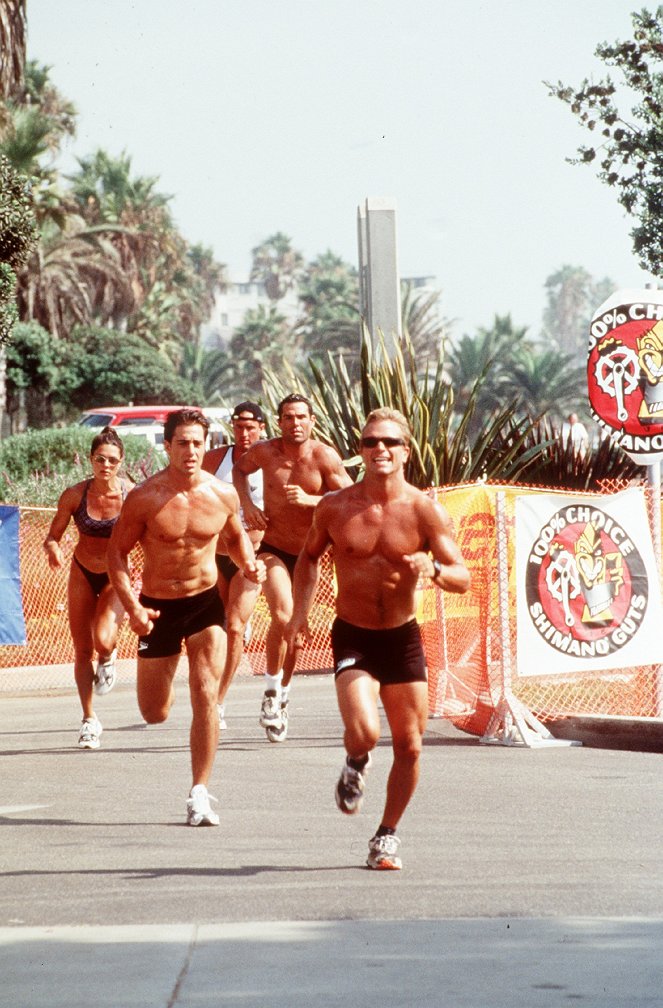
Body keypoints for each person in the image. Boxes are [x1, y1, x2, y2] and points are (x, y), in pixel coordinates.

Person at [285, 408, 470, 870]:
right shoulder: (335, 507)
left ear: (406, 450)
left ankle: (386, 835)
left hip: (402, 638)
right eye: (370, 443)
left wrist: (436, 570)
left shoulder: (425, 510)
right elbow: (308, 560)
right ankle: (356, 761)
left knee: (410, 746)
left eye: (389, 442)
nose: (379, 450)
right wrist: (299, 615)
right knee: (365, 732)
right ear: (360, 451)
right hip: (354, 637)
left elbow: (462, 576)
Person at [107, 408, 265, 827]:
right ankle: (164, 677)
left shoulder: (222, 494)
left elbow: (234, 539)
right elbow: (116, 555)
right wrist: (135, 609)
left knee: (206, 693)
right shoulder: (145, 496)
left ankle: (199, 792)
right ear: (167, 445)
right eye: (182, 443)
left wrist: (249, 563)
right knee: (154, 711)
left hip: (203, 604)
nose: (191, 451)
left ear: (205, 444)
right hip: (156, 609)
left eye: (198, 442)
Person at [233, 392, 352, 742]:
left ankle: (282, 695)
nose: (295, 423)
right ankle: (270, 693)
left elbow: (351, 497)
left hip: (310, 556)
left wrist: (313, 500)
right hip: (273, 549)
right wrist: (247, 505)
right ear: (279, 421)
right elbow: (240, 471)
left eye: (301, 417)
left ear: (312, 421)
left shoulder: (323, 457)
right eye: (288, 417)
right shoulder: (264, 452)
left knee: (296, 634)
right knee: (282, 616)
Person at [43, 427, 132, 750]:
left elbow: (149, 535)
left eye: (111, 460)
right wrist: (53, 547)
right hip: (82, 570)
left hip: (115, 574)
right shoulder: (74, 495)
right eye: (99, 459)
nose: (105, 466)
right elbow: (53, 534)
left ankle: (108, 656)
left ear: (121, 462)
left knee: (102, 639)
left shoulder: (130, 495)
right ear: (91, 460)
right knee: (81, 650)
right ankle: (89, 720)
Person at [202, 401, 266, 730]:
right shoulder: (216, 459)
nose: (244, 433)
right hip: (217, 554)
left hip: (251, 556)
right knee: (218, 627)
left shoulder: (272, 462)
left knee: (235, 627)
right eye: (238, 426)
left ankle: (219, 702)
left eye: (250, 426)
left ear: (262, 428)